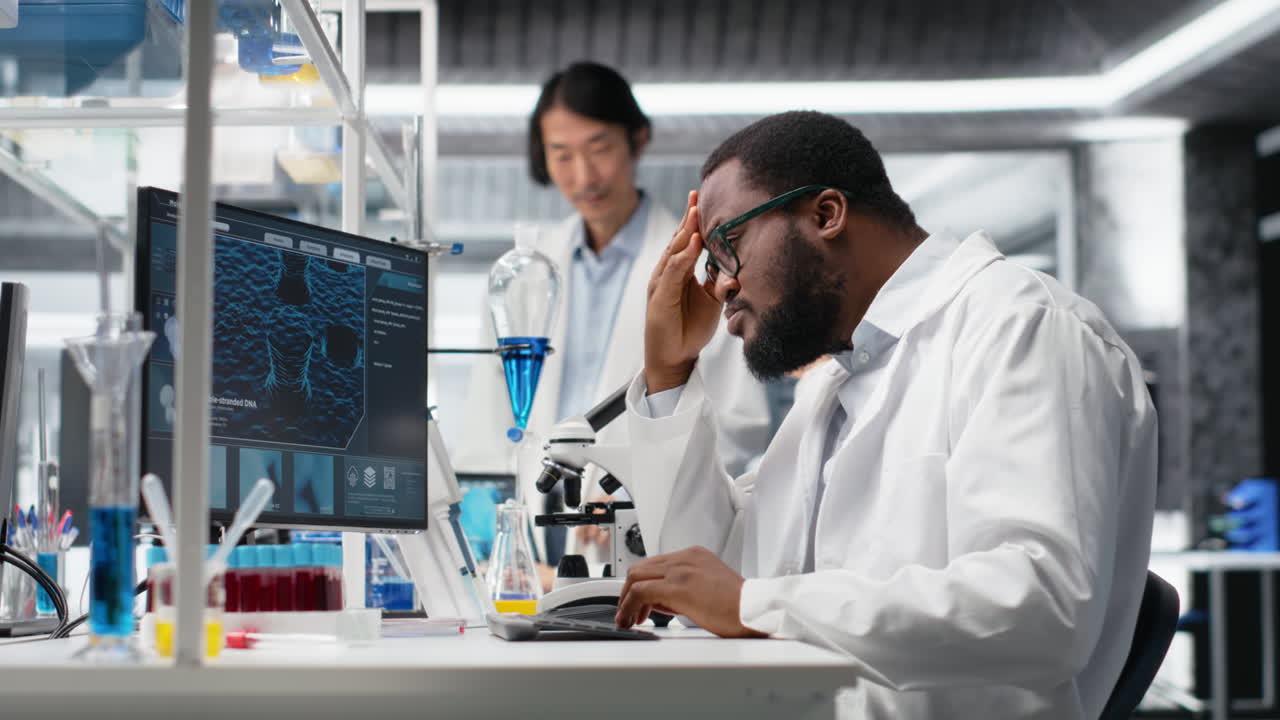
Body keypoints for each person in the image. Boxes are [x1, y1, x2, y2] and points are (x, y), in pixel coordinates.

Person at [612, 111, 1158, 719]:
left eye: (726, 248)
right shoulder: (836, 380)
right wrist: (669, 371)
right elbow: (714, 578)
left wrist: (757, 606)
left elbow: (1040, 608)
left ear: (825, 215)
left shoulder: (1023, 328)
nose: (718, 287)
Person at [454, 62, 772, 582]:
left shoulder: (698, 265)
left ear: (637, 139)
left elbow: (740, 421)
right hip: (538, 539)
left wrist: (643, 484)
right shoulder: (524, 270)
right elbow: (490, 420)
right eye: (562, 154)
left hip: (647, 536)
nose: (583, 175)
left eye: (599, 147)